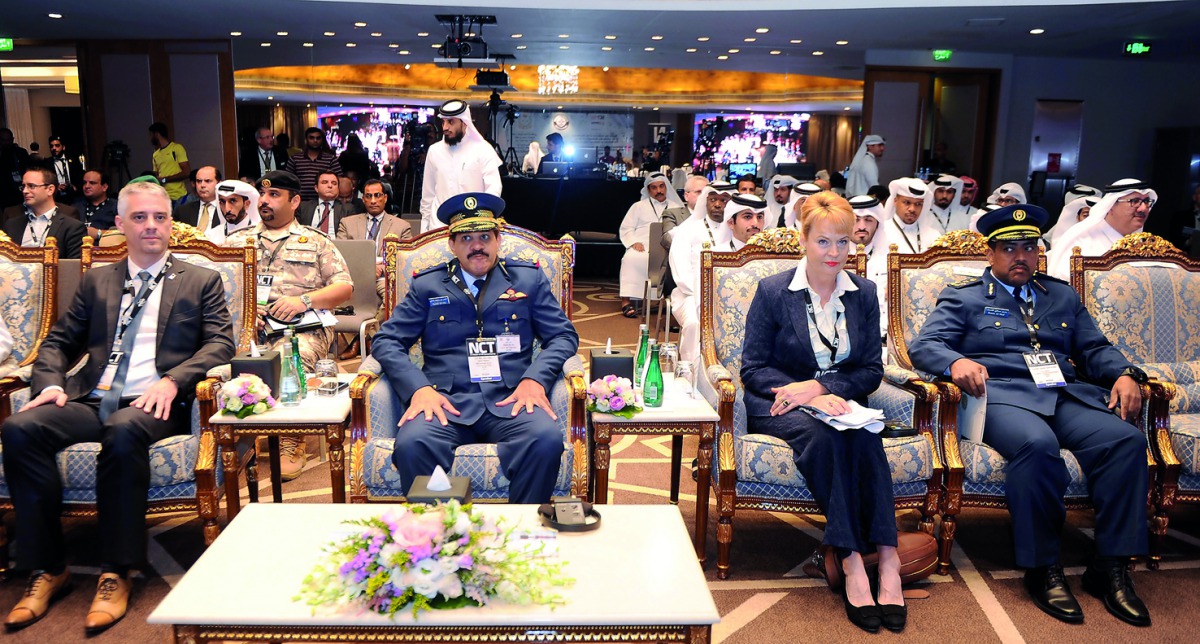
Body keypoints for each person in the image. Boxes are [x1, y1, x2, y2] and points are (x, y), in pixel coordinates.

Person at [0, 180, 234, 634]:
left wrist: (173, 380)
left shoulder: (199, 279)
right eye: (140, 217)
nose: (151, 226)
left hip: (154, 402)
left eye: (160, 217)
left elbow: (221, 343)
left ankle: (116, 571)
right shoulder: (98, 280)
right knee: (20, 428)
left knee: (123, 430)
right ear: (121, 224)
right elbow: (59, 341)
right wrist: (50, 384)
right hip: (92, 396)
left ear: (171, 224)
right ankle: (48, 567)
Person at [910, 203, 1151, 627]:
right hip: (1001, 397)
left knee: (1125, 440)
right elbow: (924, 345)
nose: (1020, 256)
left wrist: (1125, 373)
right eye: (1009, 249)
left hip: (1062, 394)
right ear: (990, 253)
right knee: (1037, 445)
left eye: (1029, 247)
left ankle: (1110, 567)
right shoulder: (964, 296)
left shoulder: (1060, 295)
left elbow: (1094, 348)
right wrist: (955, 362)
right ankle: (1043, 568)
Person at [741, 191, 902, 633]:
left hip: (840, 402)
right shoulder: (774, 291)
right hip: (778, 401)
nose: (835, 253)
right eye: (824, 242)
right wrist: (806, 395)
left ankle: (888, 559)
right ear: (804, 241)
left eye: (843, 242)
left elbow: (870, 370)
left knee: (865, 436)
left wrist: (823, 388)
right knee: (827, 439)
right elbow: (752, 368)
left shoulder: (863, 293)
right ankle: (851, 561)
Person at [370, 192, 579, 504]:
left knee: (545, 439)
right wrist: (418, 390)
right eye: (466, 238)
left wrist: (535, 380)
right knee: (412, 444)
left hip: (511, 399)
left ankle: (520, 526)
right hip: (446, 402)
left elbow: (563, 336)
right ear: (452, 245)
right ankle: (442, 529)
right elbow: (386, 340)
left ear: (498, 240)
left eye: (484, 237)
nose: (476, 246)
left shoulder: (527, 280)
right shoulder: (428, 285)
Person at [224, 170, 352, 480]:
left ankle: (291, 439)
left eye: (274, 195)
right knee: (222, 359)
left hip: (302, 327)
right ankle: (235, 433)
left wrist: (304, 300)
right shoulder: (237, 241)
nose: (264, 201)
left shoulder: (315, 241)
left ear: (294, 202)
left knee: (288, 358)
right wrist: (243, 309)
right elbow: (216, 291)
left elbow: (344, 287)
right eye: (262, 194)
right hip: (249, 327)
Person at [419, 99, 502, 233]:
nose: (445, 127)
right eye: (443, 122)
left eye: (451, 122)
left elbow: (493, 190)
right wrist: (424, 231)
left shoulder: (483, 149)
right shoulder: (434, 151)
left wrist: (483, 221)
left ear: (464, 122)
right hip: (439, 228)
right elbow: (428, 196)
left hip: (473, 227)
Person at [1047, 179, 1157, 279]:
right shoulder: (1080, 241)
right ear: (1111, 205)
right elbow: (1063, 286)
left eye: (1146, 201)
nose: (1143, 208)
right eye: (1135, 201)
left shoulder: (1143, 245)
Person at [618, 172, 684, 317]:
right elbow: (626, 228)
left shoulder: (676, 207)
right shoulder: (638, 206)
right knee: (630, 258)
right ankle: (626, 302)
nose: (658, 191)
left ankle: (670, 300)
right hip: (642, 245)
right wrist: (633, 242)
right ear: (648, 190)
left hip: (668, 246)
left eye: (661, 186)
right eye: (654, 188)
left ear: (666, 187)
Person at [2, 166, 86, 259]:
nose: (25, 191)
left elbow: (73, 266)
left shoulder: (72, 227)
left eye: (31, 186)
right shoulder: (12, 225)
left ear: (50, 190)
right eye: (23, 186)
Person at [848, 194, 891, 341]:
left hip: (883, 337)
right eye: (855, 220)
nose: (861, 226)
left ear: (877, 224)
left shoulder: (891, 258)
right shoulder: (832, 258)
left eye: (868, 220)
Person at [284, 127, 343, 202]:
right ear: (306, 140)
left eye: (318, 138)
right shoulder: (295, 159)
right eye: (311, 138)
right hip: (300, 201)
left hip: (325, 201)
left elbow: (339, 179)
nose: (315, 140)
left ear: (322, 140)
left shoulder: (331, 159)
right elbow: (287, 181)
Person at [879, 177, 931, 255]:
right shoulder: (881, 233)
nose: (912, 209)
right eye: (907, 202)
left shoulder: (933, 236)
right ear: (895, 201)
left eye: (918, 204)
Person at [296, 171, 356, 236]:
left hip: (336, 242)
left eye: (334, 183)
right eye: (325, 182)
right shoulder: (303, 207)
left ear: (338, 189)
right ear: (316, 188)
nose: (330, 186)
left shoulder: (348, 209)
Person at [206, 179, 259, 245]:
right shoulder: (211, 237)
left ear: (246, 204)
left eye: (232, 201)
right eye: (222, 202)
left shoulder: (260, 234)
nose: (227, 209)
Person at [148, 122, 190, 207]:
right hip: (163, 198)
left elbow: (186, 172)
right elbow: (156, 176)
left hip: (179, 196)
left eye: (151, 135)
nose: (150, 138)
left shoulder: (177, 148)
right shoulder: (155, 154)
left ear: (157, 134)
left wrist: (165, 180)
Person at [71, 169, 118, 237]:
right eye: (84, 183)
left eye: (92, 183)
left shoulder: (116, 207)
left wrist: (99, 233)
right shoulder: (75, 207)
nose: (86, 186)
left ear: (104, 187)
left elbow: (125, 232)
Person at [173, 166, 221, 231]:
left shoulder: (226, 210)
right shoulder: (182, 211)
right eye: (199, 181)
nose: (202, 185)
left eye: (207, 181)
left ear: (219, 184)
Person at [47, 136, 82, 204]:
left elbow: (80, 175)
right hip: (57, 197)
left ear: (63, 147)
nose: (54, 148)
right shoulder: (47, 163)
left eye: (57, 145)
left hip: (73, 196)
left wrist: (75, 187)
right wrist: (56, 186)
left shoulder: (73, 160)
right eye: (51, 146)